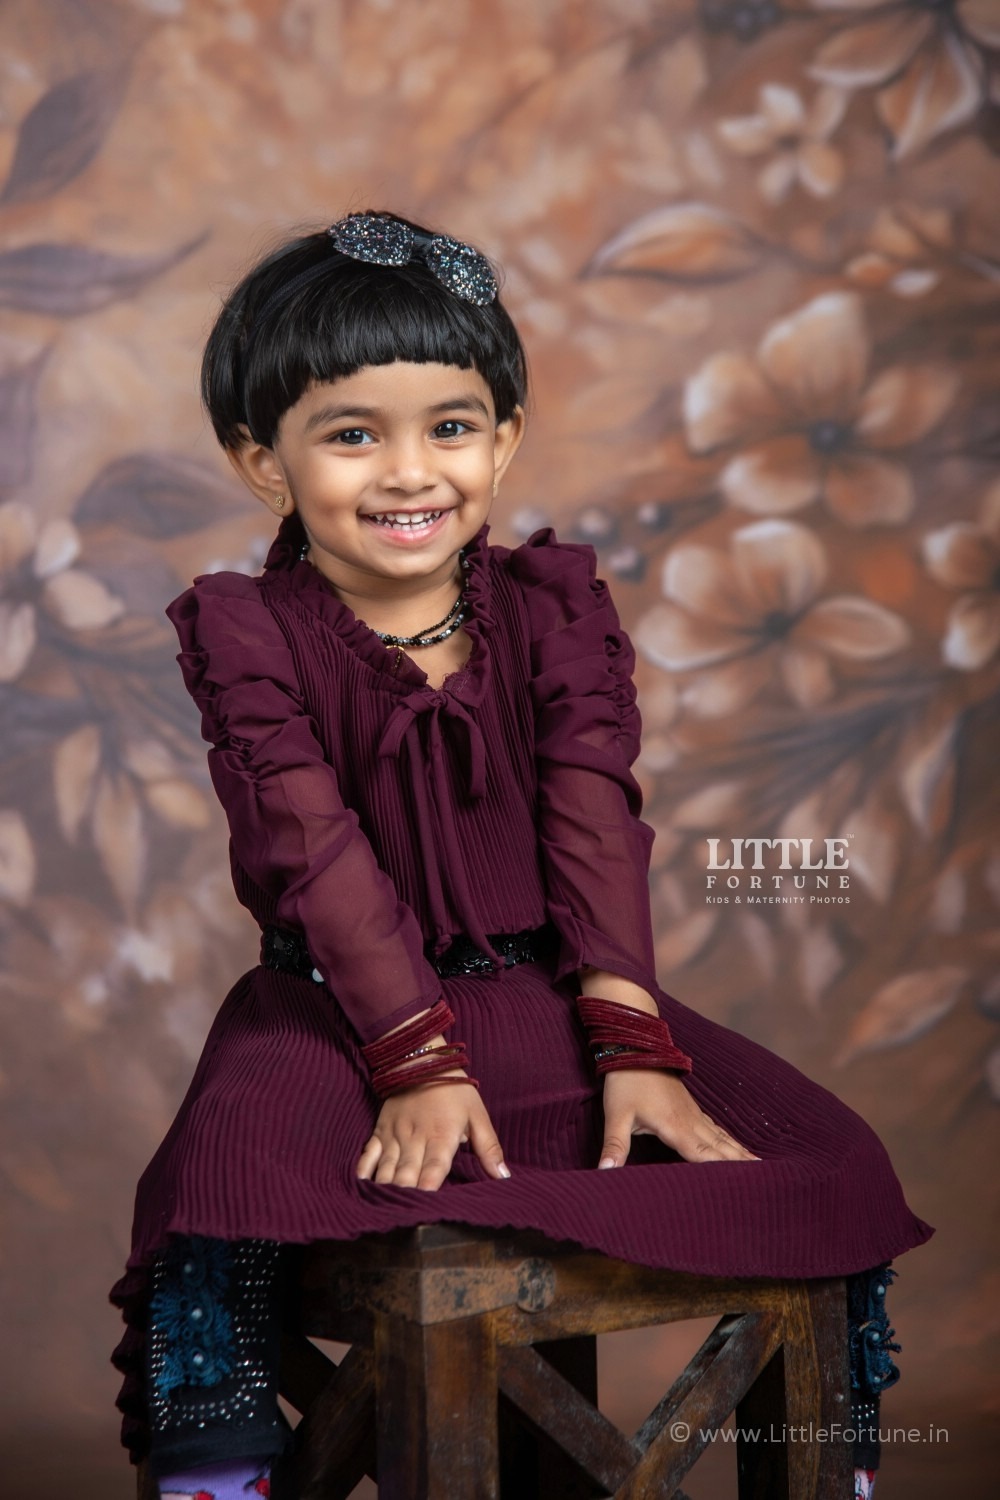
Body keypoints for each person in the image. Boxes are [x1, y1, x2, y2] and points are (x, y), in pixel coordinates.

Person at [110, 210, 931, 1500]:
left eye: (450, 427)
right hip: (345, 1015)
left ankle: (831, 1453)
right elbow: (316, 852)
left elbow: (595, 824)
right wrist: (415, 1062)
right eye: (350, 435)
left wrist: (634, 1041)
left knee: (831, 1159)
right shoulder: (249, 633)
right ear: (264, 463)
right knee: (224, 1176)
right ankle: (216, 1460)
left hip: (555, 993)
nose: (409, 473)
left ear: (504, 439)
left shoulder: (552, 611)